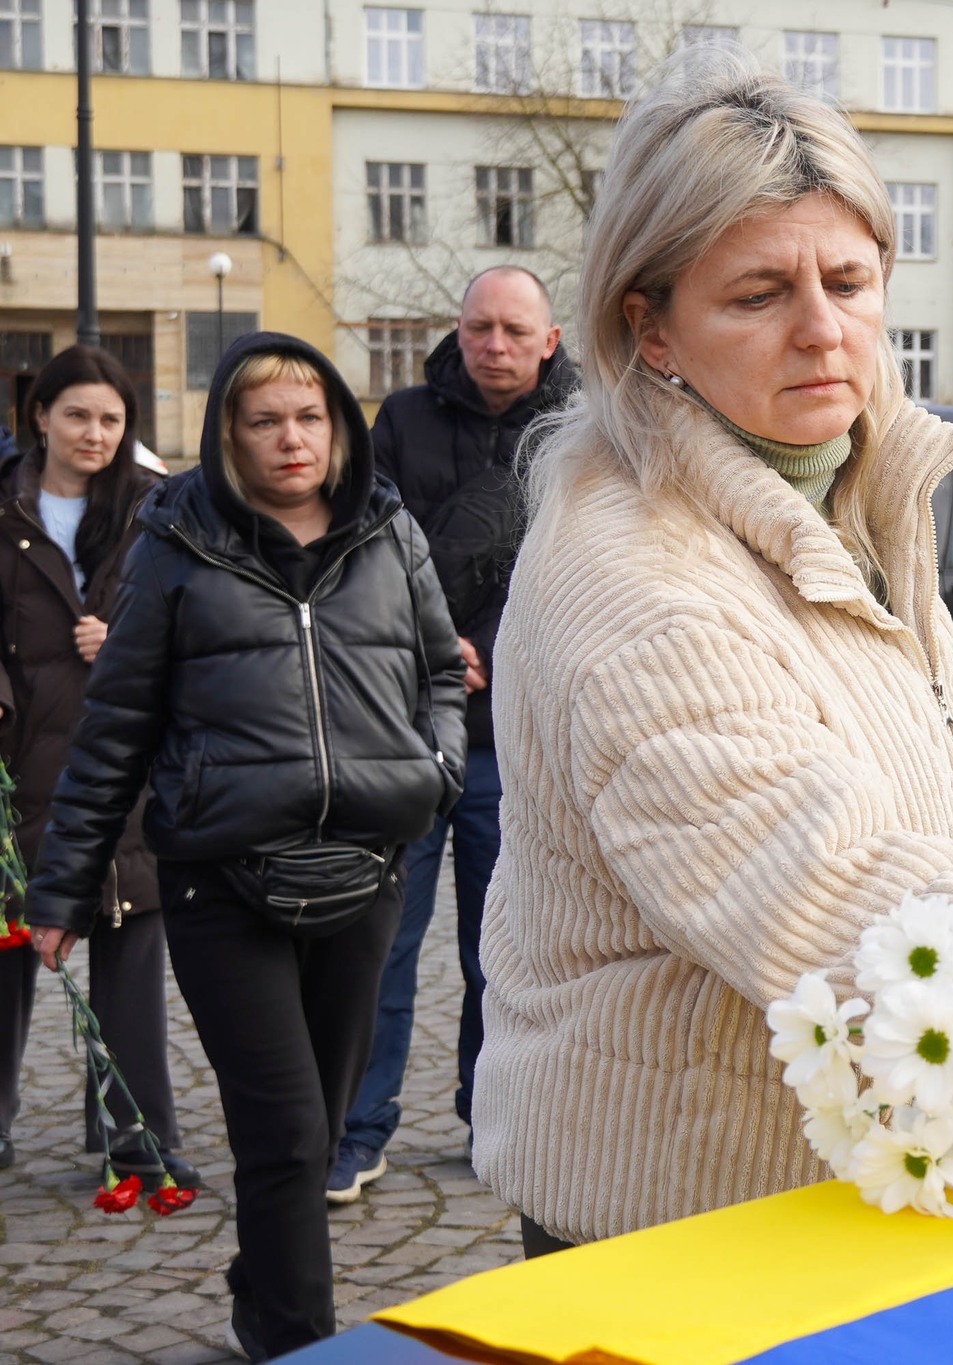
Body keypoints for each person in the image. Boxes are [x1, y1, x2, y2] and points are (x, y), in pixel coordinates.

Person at [472, 51, 953, 1255]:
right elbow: (814, 890)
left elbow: (889, 709)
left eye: (848, 280)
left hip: (817, 1170)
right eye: (757, 295)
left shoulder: (843, 480)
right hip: (680, 1209)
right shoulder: (638, 583)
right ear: (650, 329)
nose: (821, 330)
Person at [25, 332, 466, 1361]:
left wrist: (432, 770)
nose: (291, 439)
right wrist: (61, 890)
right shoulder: (176, 545)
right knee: (283, 1133)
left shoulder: (389, 533)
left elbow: (442, 673)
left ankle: (260, 1286)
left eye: (309, 416)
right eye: (264, 420)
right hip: (222, 883)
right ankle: (298, 1341)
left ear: (340, 425)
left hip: (364, 873)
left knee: (313, 1130)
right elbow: (116, 726)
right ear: (228, 432)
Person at [330, 265, 578, 1202]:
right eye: (480, 328)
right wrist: (434, 647)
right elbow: (363, 551)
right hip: (402, 721)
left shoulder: (584, 426)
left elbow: (587, 569)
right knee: (381, 939)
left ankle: (490, 1117)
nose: (496, 346)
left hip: (509, 739)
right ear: (459, 330)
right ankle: (360, 1129)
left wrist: (497, 652)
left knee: (500, 944)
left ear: (549, 340)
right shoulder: (401, 420)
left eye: (516, 330)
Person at [0, 346, 190, 1182]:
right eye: (77, 414)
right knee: (9, 948)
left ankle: (134, 1133)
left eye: (112, 418)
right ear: (39, 415)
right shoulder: (3, 508)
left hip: (123, 764)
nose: (95, 432)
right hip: (16, 757)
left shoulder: (157, 510)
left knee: (129, 953)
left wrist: (126, 647)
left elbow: (194, 625)